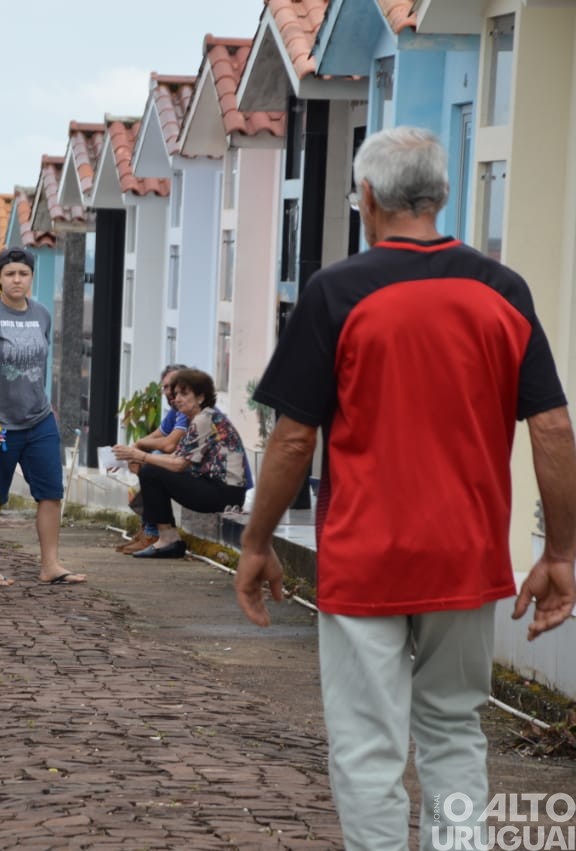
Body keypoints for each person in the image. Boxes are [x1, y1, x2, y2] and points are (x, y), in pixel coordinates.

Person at [234, 127, 576, 850]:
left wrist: (257, 540)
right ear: (442, 196)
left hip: (367, 557)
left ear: (365, 197)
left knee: (367, 744)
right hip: (466, 552)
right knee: (455, 729)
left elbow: (294, 438)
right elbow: (551, 428)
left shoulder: (337, 292)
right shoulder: (501, 290)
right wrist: (563, 551)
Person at [0, 247, 86, 587]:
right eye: (10, 274)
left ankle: (50, 564)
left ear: (31, 277)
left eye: (23, 274)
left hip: (39, 418)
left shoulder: (43, 314)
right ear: (0, 277)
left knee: (50, 492)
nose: (17, 280)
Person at [115, 368, 246, 559]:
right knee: (152, 469)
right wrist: (135, 456)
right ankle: (162, 536)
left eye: (184, 394)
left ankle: (166, 539)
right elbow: (176, 456)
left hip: (225, 495)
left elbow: (178, 464)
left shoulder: (204, 420)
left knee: (152, 471)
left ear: (201, 397)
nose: (177, 399)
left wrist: (140, 455)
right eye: (175, 394)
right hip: (220, 490)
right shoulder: (201, 419)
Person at [117, 363, 189, 554]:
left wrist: (138, 453)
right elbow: (158, 435)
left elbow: (169, 445)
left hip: (201, 474)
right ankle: (150, 530)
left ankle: (153, 532)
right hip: (184, 466)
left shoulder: (189, 410)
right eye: (165, 387)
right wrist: (131, 450)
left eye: (173, 386)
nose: (169, 392)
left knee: (151, 465)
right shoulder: (176, 411)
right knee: (148, 461)